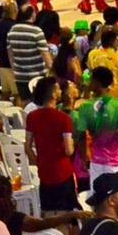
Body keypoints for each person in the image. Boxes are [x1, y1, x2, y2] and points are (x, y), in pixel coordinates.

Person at [23, 77, 79, 213]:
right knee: (65, 214)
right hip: (62, 172)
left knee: (48, 212)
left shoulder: (32, 117)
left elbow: (27, 146)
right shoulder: (64, 118)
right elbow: (69, 151)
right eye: (58, 89)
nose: (61, 91)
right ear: (53, 95)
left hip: (44, 172)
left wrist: (38, 162)